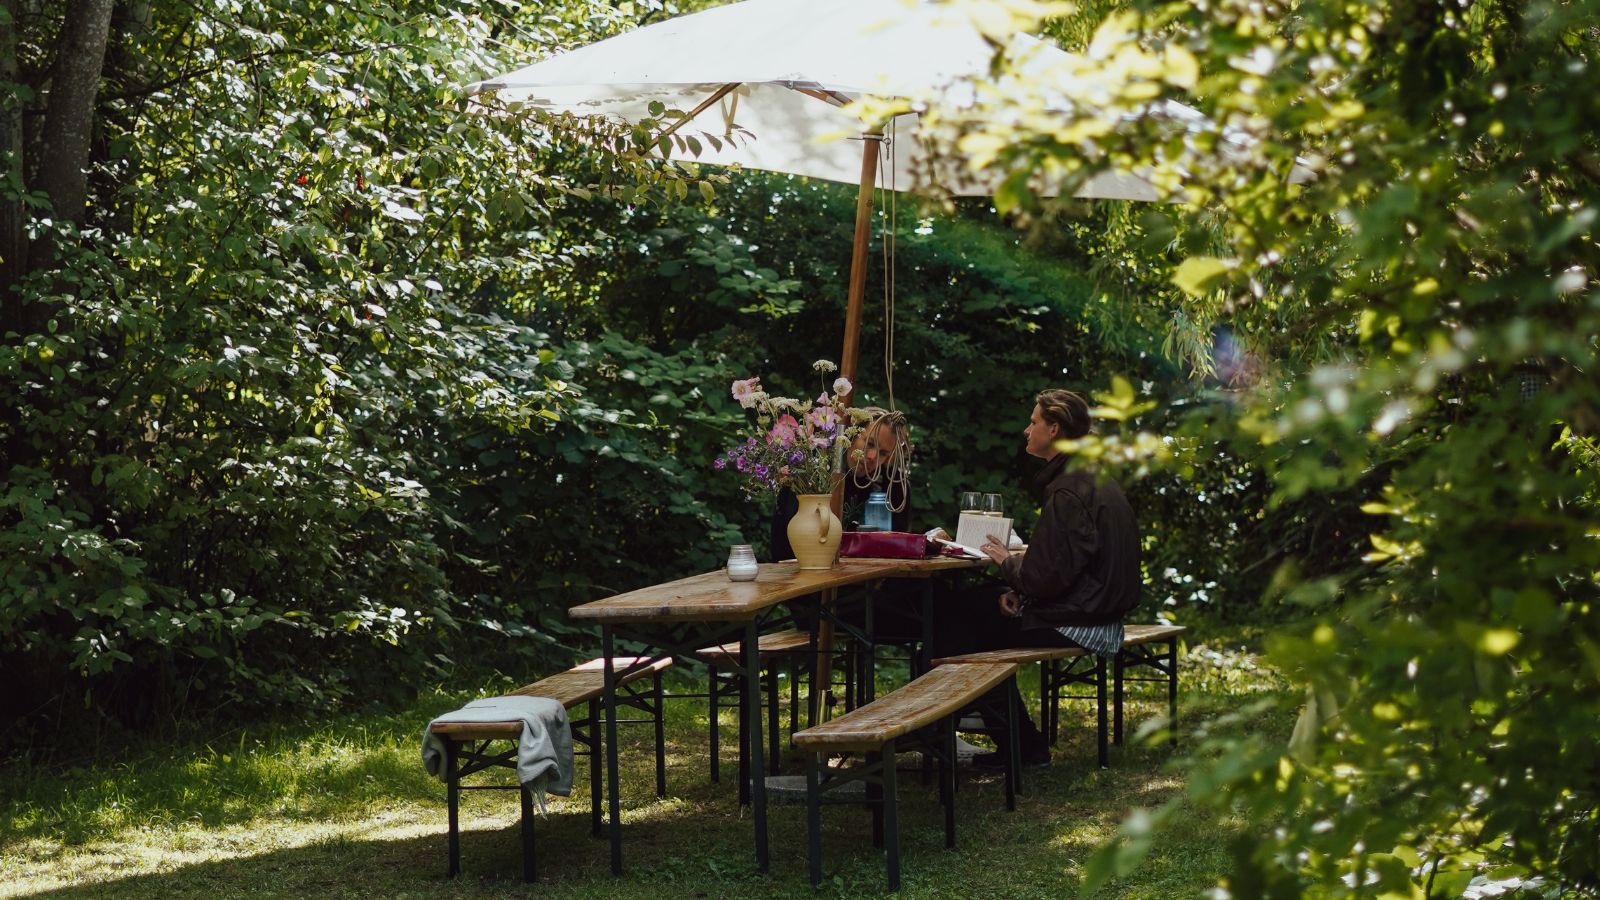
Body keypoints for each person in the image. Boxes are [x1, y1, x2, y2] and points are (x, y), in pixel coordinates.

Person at [933, 388, 1142, 768]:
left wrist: (1006, 562)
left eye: (1033, 423)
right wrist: (1019, 587)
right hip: (1095, 613)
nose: (1027, 431)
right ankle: (1003, 736)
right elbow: (1065, 567)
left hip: (1082, 622)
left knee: (957, 620)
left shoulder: (1069, 489)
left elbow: (1044, 577)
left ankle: (973, 736)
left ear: (1055, 429)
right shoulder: (1092, 477)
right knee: (977, 607)